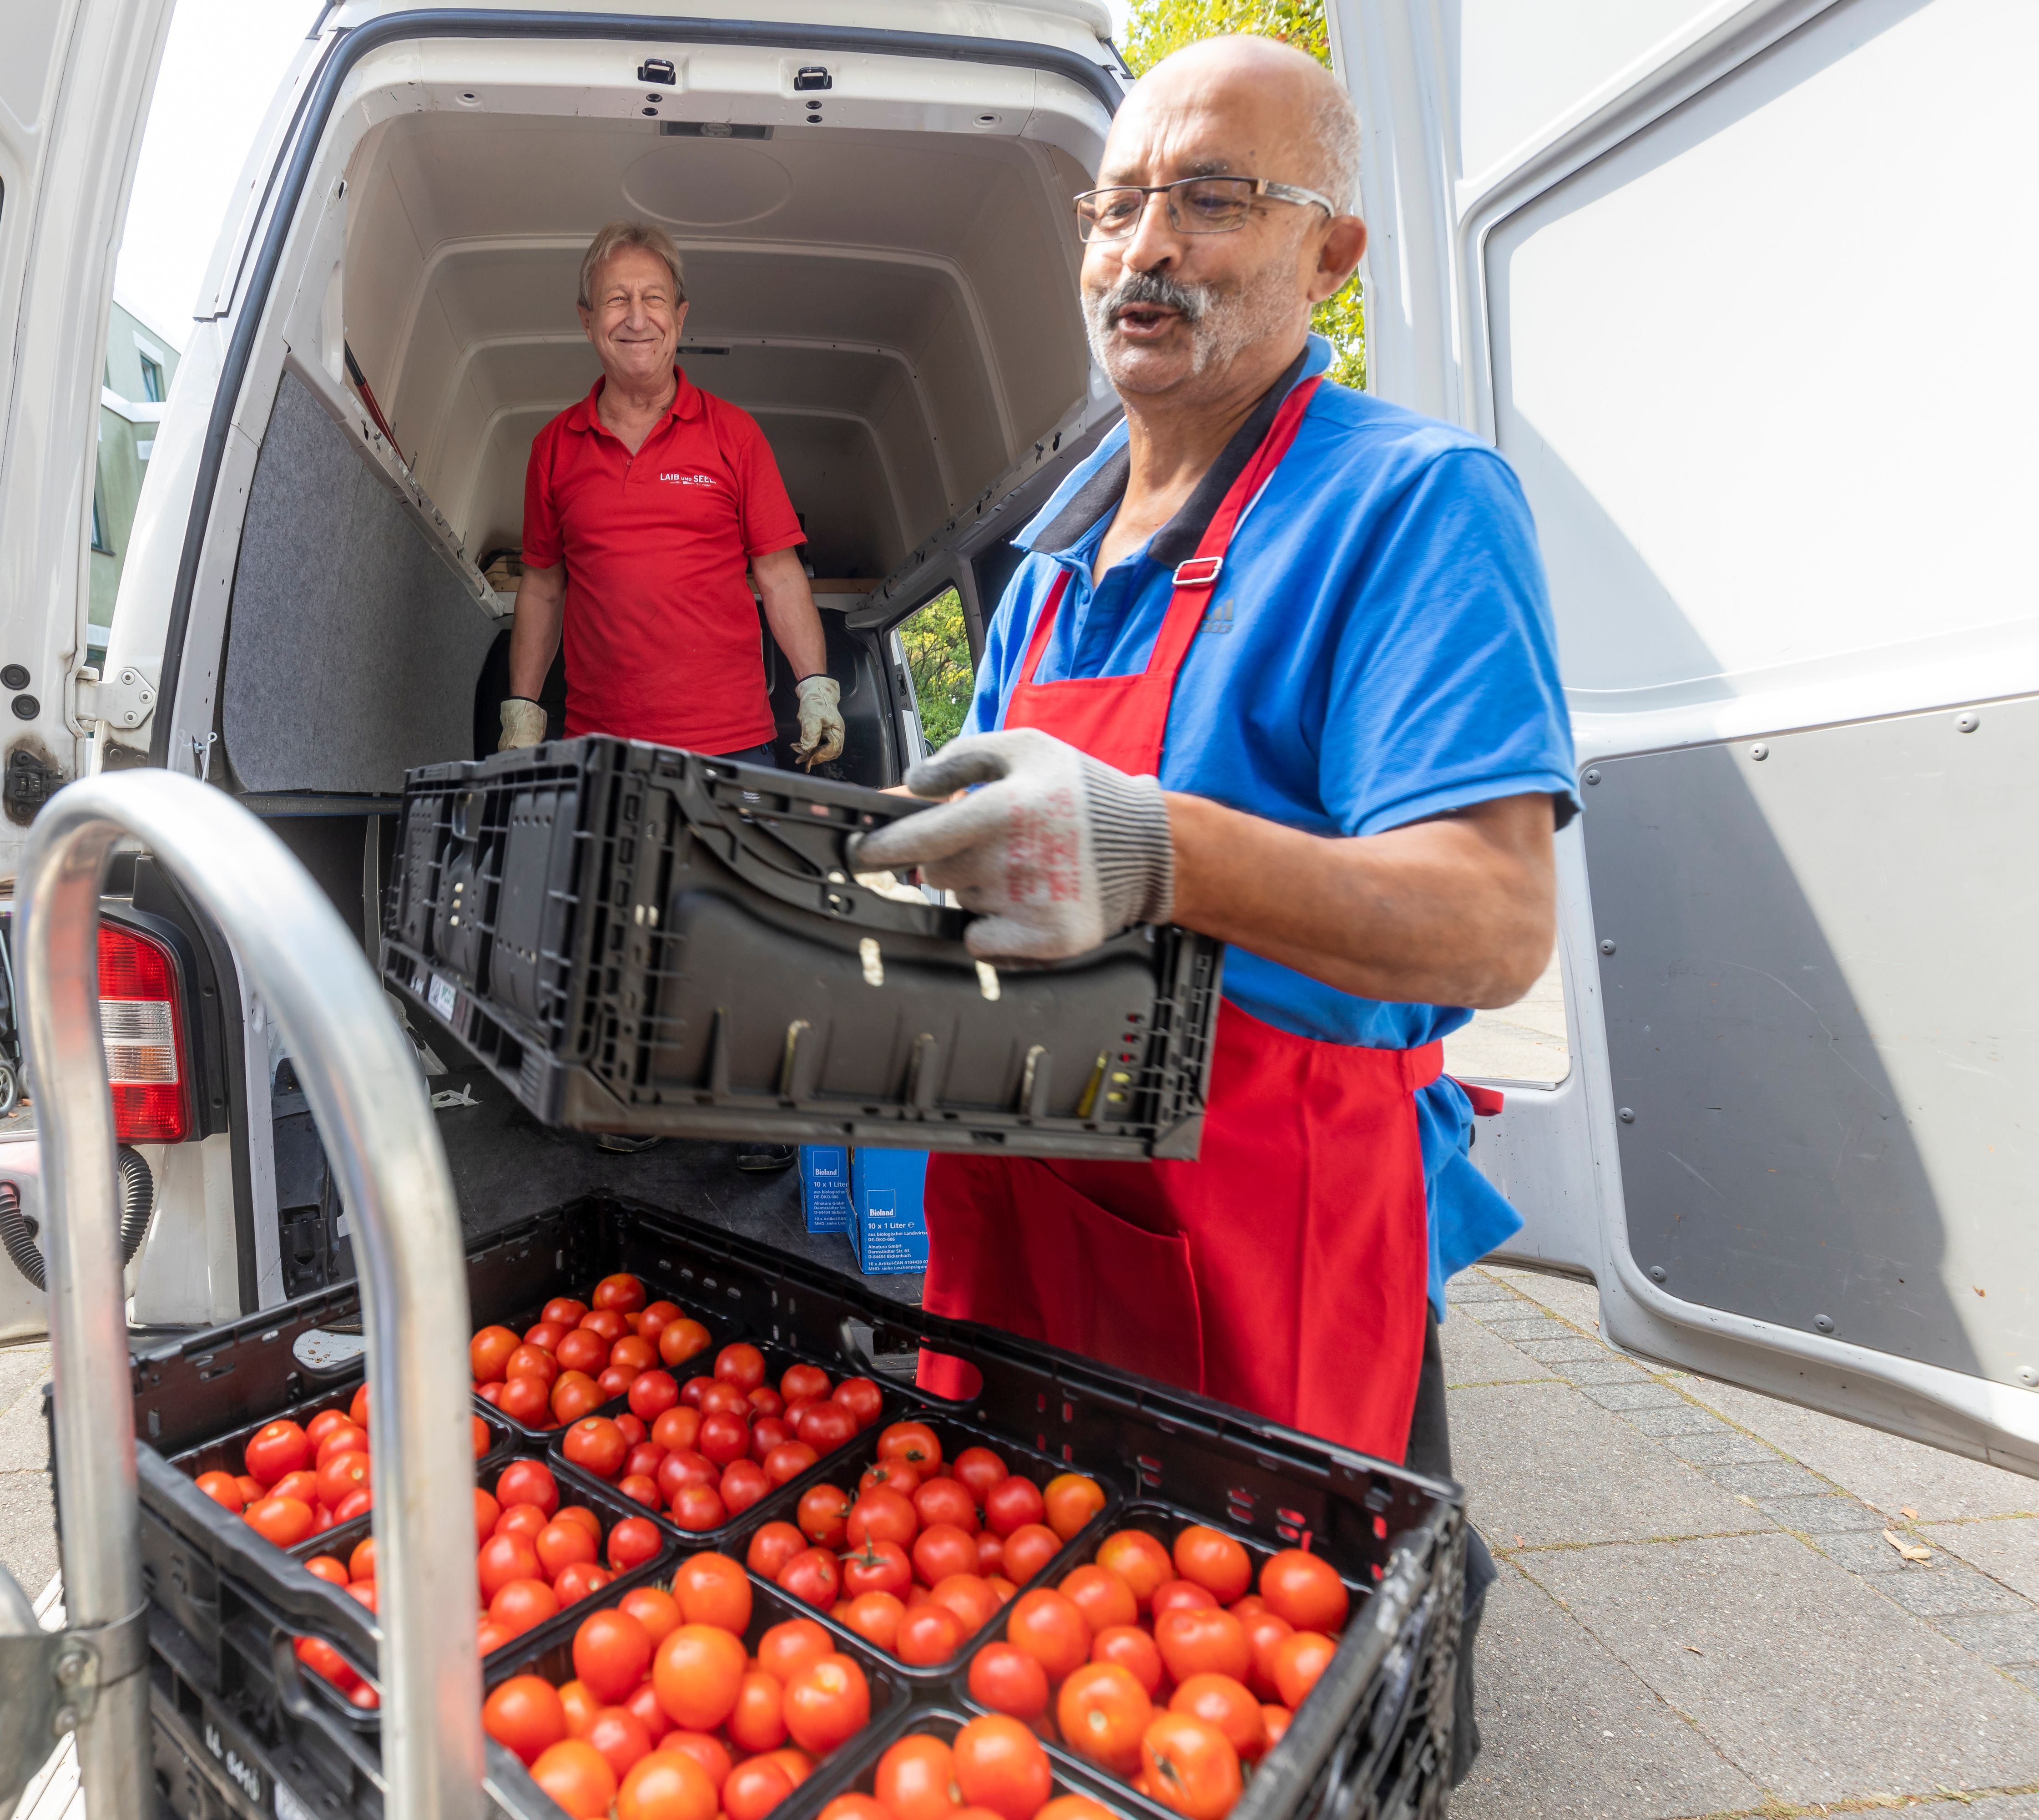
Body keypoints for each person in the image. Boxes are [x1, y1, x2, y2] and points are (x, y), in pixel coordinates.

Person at [851, 36, 1571, 1778]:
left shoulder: (1410, 506)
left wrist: (1153, 846)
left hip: (1264, 1226)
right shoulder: (1048, 560)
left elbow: (1489, 921)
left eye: (1212, 198)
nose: (1141, 246)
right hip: (1028, 1216)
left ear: (1332, 254)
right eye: (1113, 207)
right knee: (1048, 1665)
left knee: (1297, 1700)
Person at [505, 220, 843, 1170]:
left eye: (654, 298)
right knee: (621, 936)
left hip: (734, 739)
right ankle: (639, 1099)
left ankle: (752, 1122)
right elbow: (540, 585)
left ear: (683, 316)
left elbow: (779, 574)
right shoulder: (552, 449)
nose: (636, 317)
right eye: (616, 299)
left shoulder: (732, 435)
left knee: (741, 941)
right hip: (607, 746)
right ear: (587, 321)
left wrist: (815, 684)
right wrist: (523, 709)